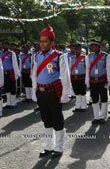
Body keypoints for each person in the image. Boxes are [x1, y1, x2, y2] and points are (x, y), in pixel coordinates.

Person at [32, 23, 72, 159]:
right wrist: (34, 91)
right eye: (41, 41)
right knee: (46, 120)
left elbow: (65, 76)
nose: (42, 44)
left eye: (45, 41)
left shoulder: (59, 56)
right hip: (41, 92)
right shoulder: (36, 56)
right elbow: (34, 75)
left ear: (51, 42)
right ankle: (49, 146)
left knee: (57, 120)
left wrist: (65, 95)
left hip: (54, 92)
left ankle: (59, 147)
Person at [85, 39, 110, 124]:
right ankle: (96, 116)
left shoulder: (105, 56)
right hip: (93, 81)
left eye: (95, 46)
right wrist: (87, 82)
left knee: (104, 99)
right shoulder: (89, 56)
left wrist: (109, 82)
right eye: (92, 46)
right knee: (94, 99)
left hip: (102, 80)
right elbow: (87, 69)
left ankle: (102, 117)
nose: (94, 47)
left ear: (99, 47)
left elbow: (109, 69)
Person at [0, 40, 21, 109]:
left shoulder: (11, 53)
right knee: (6, 88)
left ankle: (13, 103)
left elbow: (15, 64)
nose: (4, 46)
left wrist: (16, 74)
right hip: (4, 73)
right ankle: (8, 103)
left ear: (8, 46)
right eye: (3, 44)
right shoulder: (0, 53)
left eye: (5, 44)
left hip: (11, 72)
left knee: (12, 87)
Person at [69, 44, 87, 112]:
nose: (76, 50)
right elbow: (70, 68)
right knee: (76, 92)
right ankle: (77, 106)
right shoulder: (71, 58)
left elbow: (87, 68)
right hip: (74, 78)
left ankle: (84, 106)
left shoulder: (84, 58)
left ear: (80, 50)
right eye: (75, 49)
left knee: (82, 92)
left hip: (82, 77)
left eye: (78, 49)